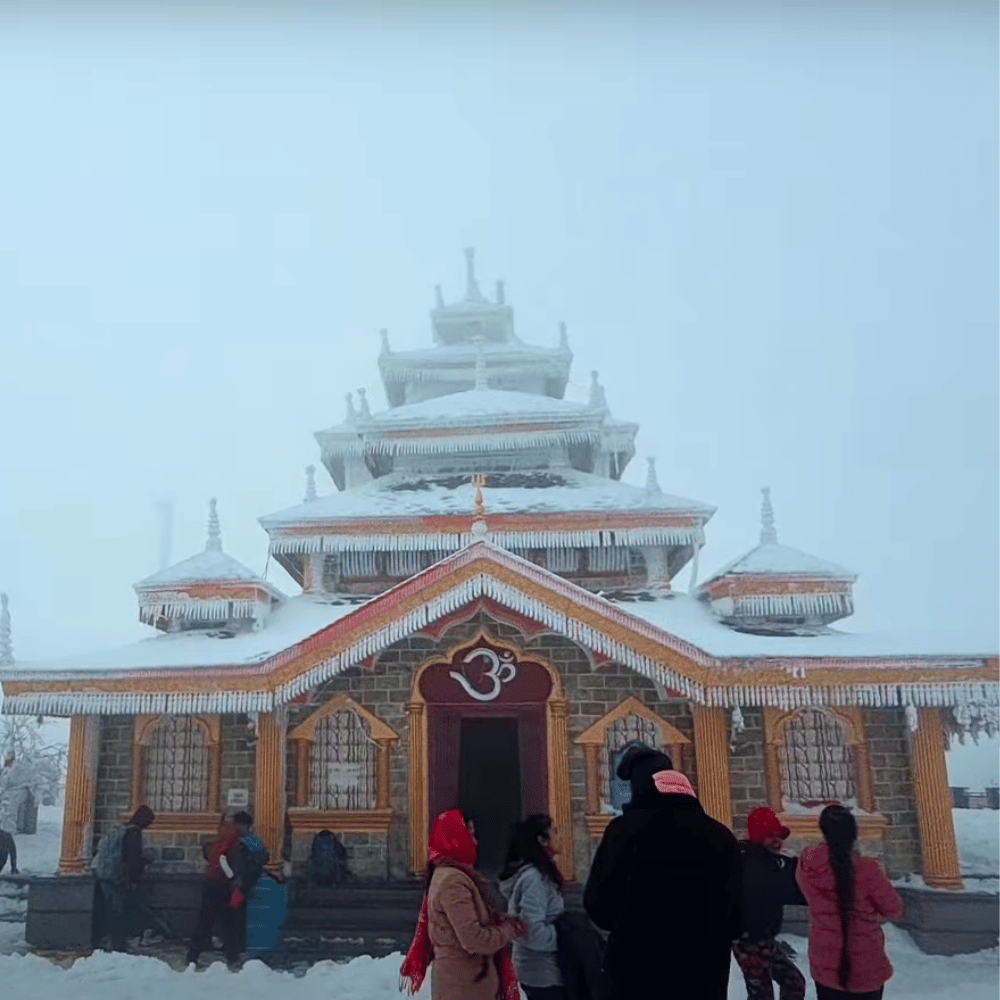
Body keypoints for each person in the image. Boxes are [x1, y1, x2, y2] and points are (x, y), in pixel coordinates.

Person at [584, 746, 742, 1000]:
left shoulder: (625, 831)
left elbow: (598, 904)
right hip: (703, 978)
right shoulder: (720, 835)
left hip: (636, 976)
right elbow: (738, 916)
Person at [400, 808, 528, 1000]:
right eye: (469, 834)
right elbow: (473, 939)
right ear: (455, 837)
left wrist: (495, 919)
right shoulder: (453, 881)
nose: (475, 842)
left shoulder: (452, 875)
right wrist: (506, 932)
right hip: (464, 987)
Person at [796, 804, 904, 1000]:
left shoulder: (808, 862)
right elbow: (893, 909)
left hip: (826, 961)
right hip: (866, 964)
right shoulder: (868, 869)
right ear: (853, 834)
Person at [732, 806, 807, 1000]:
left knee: (794, 981)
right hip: (748, 942)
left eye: (779, 836)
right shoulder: (749, 861)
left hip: (765, 940)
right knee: (762, 996)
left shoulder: (772, 861)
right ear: (757, 836)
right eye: (770, 836)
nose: (777, 841)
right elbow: (783, 889)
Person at [498, 814, 566, 1000]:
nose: (561, 837)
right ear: (542, 840)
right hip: (542, 973)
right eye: (555, 832)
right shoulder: (535, 880)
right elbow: (532, 931)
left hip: (543, 971)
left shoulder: (541, 875)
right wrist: (564, 936)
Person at [186, 810, 259, 968]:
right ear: (242, 825)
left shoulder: (225, 834)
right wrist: (233, 878)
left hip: (213, 882)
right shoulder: (233, 837)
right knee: (223, 922)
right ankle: (229, 957)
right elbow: (223, 859)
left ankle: (194, 955)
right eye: (247, 827)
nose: (248, 831)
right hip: (219, 885)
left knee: (214, 922)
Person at [92, 805, 155, 952]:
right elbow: (132, 859)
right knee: (118, 911)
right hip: (117, 878)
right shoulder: (135, 832)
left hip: (104, 874)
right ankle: (117, 945)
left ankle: (107, 940)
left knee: (109, 910)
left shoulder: (122, 829)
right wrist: (133, 879)